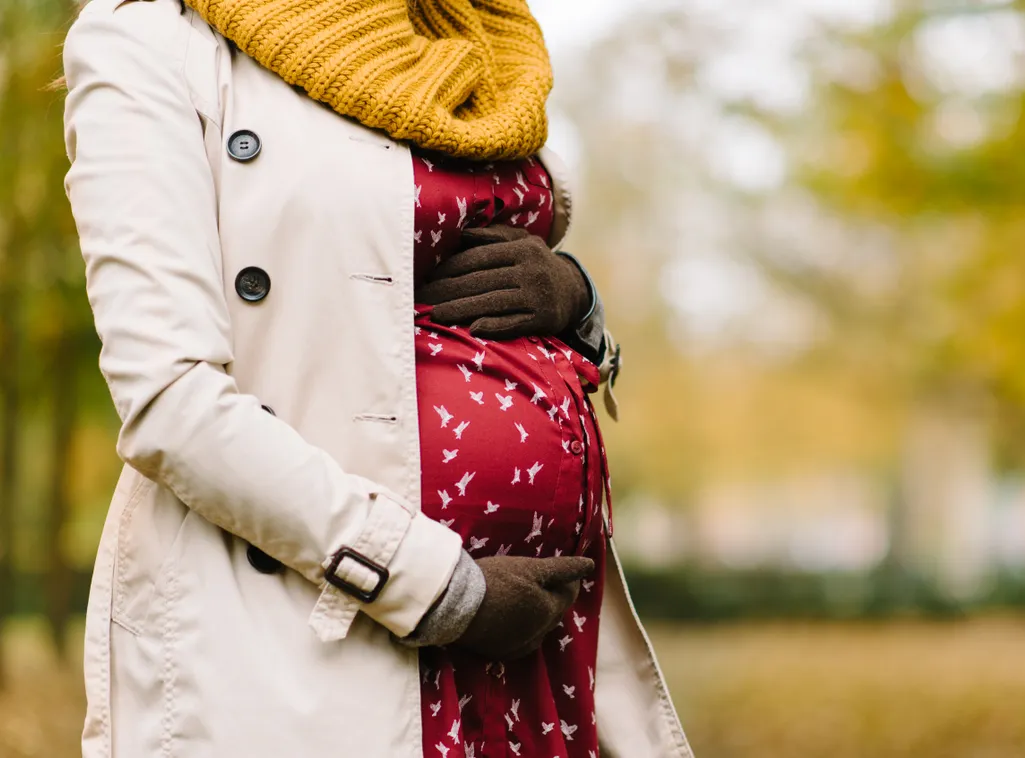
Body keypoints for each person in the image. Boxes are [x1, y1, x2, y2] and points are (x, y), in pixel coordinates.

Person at [60, 0, 693, 756]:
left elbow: (409, 294)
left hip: (542, 640)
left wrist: (573, 300)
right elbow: (169, 400)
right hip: (333, 628)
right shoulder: (149, 42)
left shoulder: (468, 36)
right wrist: (439, 589)